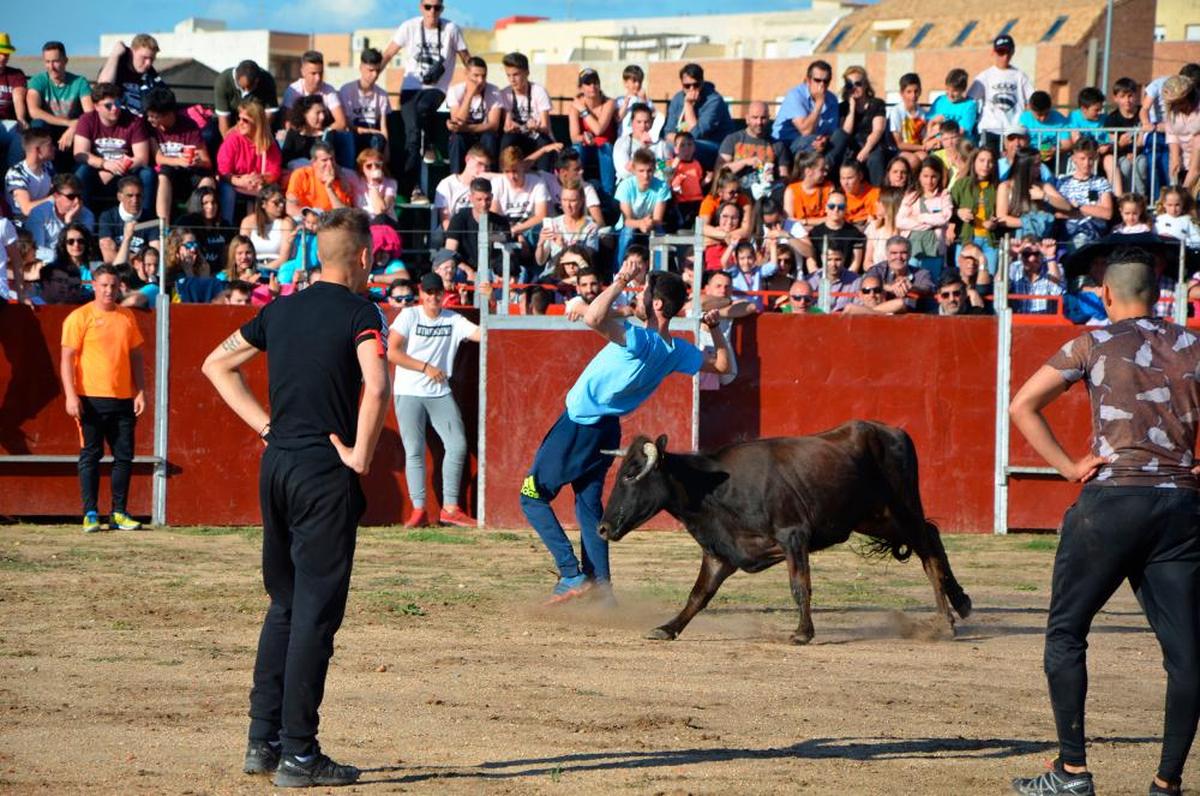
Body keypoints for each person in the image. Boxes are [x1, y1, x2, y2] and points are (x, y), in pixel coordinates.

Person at [201, 207, 389, 789]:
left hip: (277, 465)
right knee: (313, 613)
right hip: (321, 472)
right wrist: (359, 454)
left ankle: (264, 740)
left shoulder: (279, 308)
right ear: (362, 257)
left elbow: (216, 364)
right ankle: (300, 754)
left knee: (284, 605)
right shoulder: (363, 312)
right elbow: (379, 384)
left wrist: (264, 427)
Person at [1008, 251, 1200, 796]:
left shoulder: (1092, 342)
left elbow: (1023, 405)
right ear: (1162, 292)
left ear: (1106, 294)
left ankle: (1072, 772)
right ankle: (1167, 783)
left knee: (1067, 632)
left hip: (1113, 503)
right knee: (1186, 654)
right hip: (1180, 508)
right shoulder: (1193, 346)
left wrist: (1069, 466)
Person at [520, 259, 731, 603]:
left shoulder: (638, 339)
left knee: (531, 497)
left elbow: (593, 318)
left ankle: (572, 575)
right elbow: (723, 366)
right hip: (606, 431)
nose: (639, 295)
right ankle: (602, 593)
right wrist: (716, 330)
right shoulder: (675, 350)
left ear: (657, 304)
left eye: (644, 292)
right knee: (589, 508)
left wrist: (620, 279)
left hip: (579, 425)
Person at [387, 270, 481, 528]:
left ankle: (450, 508)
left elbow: (484, 335)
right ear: (420, 293)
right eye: (428, 292)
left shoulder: (453, 319)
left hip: (439, 391)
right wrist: (426, 367)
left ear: (444, 294)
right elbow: (392, 352)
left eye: (437, 292)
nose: (433, 297)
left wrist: (488, 301)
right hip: (409, 391)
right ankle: (419, 510)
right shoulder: (409, 315)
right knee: (414, 450)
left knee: (458, 444)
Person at [60, 263, 146, 533]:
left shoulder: (127, 317)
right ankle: (90, 513)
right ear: (93, 286)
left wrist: (140, 390)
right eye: (104, 285)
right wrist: (71, 395)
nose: (109, 290)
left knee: (124, 456)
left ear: (120, 286)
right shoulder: (79, 317)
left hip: (122, 398)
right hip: (90, 397)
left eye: (113, 285)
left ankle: (118, 512)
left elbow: (136, 356)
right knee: (91, 454)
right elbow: (66, 359)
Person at [382, 0, 471, 201]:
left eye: (437, 7)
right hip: (411, 88)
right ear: (421, 7)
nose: (432, 11)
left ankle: (429, 143)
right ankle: (410, 188)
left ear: (442, 9)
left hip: (435, 89)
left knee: (423, 108)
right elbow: (388, 53)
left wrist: (475, 84)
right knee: (412, 138)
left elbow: (467, 58)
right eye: (428, 7)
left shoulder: (451, 29)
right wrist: (370, 76)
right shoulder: (409, 26)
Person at [73, 82, 154, 207]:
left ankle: (145, 220)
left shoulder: (134, 121)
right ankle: (83, 216)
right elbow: (80, 154)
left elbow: (142, 159)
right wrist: (105, 164)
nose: (115, 108)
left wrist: (117, 169)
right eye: (108, 105)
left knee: (147, 174)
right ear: (96, 106)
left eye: (117, 103)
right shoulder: (87, 120)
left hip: (126, 170)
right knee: (81, 171)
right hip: (98, 170)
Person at [144, 87, 214, 222]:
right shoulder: (151, 128)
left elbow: (207, 161)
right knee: (164, 173)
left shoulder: (189, 126)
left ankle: (202, 226)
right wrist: (179, 161)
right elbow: (158, 158)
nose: (149, 119)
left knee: (207, 181)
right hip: (167, 175)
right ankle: (163, 227)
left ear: (168, 114)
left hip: (189, 174)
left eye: (154, 116)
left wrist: (197, 161)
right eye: (149, 115)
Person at [280, 51, 353, 170]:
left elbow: (341, 122)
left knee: (346, 136)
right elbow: (288, 122)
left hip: (323, 136)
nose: (318, 78)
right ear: (303, 71)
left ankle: (345, 172)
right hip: (300, 134)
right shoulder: (293, 90)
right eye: (313, 73)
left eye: (321, 73)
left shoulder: (329, 90)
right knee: (283, 137)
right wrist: (306, 129)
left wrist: (319, 130)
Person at [216, 98, 282, 225]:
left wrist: (260, 178)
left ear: (257, 123)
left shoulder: (269, 143)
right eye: (239, 118)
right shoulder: (233, 139)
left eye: (245, 120)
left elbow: (275, 171)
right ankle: (226, 229)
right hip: (233, 183)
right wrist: (240, 181)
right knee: (227, 190)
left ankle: (267, 230)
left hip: (257, 183)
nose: (240, 123)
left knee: (273, 191)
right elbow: (223, 171)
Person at [25, 41, 93, 161]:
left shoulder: (79, 82)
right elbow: (34, 111)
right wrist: (68, 123)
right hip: (49, 129)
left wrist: (74, 127)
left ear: (65, 60)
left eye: (55, 61)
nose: (51, 67)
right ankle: (38, 164)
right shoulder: (38, 81)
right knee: (37, 124)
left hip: (70, 132)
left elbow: (90, 113)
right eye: (47, 62)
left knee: (86, 128)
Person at [968, 34, 1034, 154]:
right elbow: (970, 100)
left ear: (1012, 52)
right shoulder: (985, 76)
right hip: (990, 129)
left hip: (1013, 130)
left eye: (1008, 52)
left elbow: (1032, 100)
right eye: (1001, 52)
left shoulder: (1020, 76)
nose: (1004, 57)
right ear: (993, 52)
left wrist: (1025, 121)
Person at [773, 60, 845, 169]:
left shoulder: (832, 99)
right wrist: (819, 103)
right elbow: (806, 131)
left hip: (816, 141)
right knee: (811, 141)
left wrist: (825, 139)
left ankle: (825, 169)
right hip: (788, 142)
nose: (822, 85)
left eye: (826, 81)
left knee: (841, 136)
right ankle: (823, 169)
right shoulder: (795, 95)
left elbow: (832, 132)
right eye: (817, 80)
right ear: (808, 80)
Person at [662, 63, 733, 170]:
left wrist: (688, 105)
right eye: (687, 86)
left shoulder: (714, 101)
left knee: (689, 146)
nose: (691, 89)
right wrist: (679, 142)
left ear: (702, 83)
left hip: (714, 146)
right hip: (685, 143)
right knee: (663, 147)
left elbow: (695, 134)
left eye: (696, 85)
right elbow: (668, 133)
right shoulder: (677, 99)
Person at [497, 52, 556, 174]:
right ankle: (504, 175)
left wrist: (537, 127)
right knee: (507, 139)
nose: (512, 80)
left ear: (527, 73)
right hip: (518, 138)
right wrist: (510, 126)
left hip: (537, 137)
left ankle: (544, 177)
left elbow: (546, 127)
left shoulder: (539, 91)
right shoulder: (505, 93)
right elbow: (506, 125)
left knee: (544, 140)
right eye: (508, 75)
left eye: (516, 75)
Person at [718, 100, 788, 199]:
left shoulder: (777, 145)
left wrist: (773, 180)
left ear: (769, 119)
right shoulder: (733, 139)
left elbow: (784, 178)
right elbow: (720, 170)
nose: (759, 122)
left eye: (763, 118)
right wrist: (745, 162)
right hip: (737, 193)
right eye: (755, 117)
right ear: (747, 119)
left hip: (765, 194)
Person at [444, 56, 501, 174]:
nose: (480, 81)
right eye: (476, 76)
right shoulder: (455, 91)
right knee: (457, 138)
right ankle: (456, 177)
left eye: (484, 76)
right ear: (466, 74)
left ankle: (489, 176)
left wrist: (466, 128)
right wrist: (470, 95)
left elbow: (494, 125)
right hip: (464, 136)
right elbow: (457, 121)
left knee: (490, 137)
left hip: (483, 136)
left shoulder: (494, 91)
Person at [614, 148, 670, 266]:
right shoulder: (625, 186)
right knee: (628, 233)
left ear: (654, 169)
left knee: (660, 234)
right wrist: (641, 223)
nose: (646, 175)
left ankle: (658, 273)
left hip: (651, 223)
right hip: (629, 225)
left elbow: (658, 219)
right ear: (633, 170)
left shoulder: (662, 186)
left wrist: (648, 223)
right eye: (641, 171)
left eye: (649, 171)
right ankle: (618, 271)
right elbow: (627, 220)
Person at [1055, 136, 1114, 249]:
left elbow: (1107, 213)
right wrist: (1093, 210)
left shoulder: (1101, 182)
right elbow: (1059, 213)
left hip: (1093, 231)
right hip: (1069, 232)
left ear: (1096, 157)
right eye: (1082, 158)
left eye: (1090, 158)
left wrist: (1076, 207)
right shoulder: (1062, 182)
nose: (1087, 163)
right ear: (1074, 158)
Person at [568, 68, 617, 198]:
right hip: (586, 146)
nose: (592, 86)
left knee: (605, 148)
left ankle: (608, 196)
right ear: (581, 88)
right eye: (588, 83)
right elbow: (574, 137)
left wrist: (583, 110)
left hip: (605, 147)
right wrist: (584, 137)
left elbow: (598, 130)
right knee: (576, 148)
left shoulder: (609, 103)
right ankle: (573, 190)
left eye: (595, 82)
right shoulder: (575, 106)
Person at [445, 176, 512, 272]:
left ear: (492, 197)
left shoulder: (500, 221)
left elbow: (505, 240)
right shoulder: (459, 219)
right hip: (464, 269)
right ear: (470, 198)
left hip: (493, 270)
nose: (484, 204)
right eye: (479, 199)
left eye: (487, 199)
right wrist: (468, 271)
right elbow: (449, 252)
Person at [837, 66, 887, 185]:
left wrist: (866, 150)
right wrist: (852, 108)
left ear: (865, 85)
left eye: (858, 83)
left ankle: (877, 195)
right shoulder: (843, 107)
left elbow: (878, 131)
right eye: (850, 85)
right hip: (851, 147)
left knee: (875, 159)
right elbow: (845, 133)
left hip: (872, 145)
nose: (854, 88)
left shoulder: (877, 104)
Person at [28, 174, 95, 262]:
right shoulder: (39, 213)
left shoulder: (87, 215)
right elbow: (37, 250)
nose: (76, 201)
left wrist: (69, 223)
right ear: (56, 196)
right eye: (71, 197)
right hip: (46, 264)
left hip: (76, 263)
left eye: (79, 196)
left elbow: (82, 248)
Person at [338, 48, 390, 158]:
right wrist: (368, 130)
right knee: (349, 138)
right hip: (353, 133)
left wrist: (387, 150)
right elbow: (346, 123)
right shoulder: (347, 90)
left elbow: (383, 126)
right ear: (361, 68)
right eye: (370, 70)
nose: (375, 75)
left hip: (373, 136)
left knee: (378, 140)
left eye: (377, 70)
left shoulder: (382, 94)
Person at [863, 235, 935, 313]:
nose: (899, 257)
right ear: (887, 255)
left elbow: (928, 288)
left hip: (912, 319)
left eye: (903, 253)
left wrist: (911, 288)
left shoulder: (922, 273)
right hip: (879, 318)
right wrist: (889, 287)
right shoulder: (878, 270)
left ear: (910, 255)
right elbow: (865, 284)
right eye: (894, 253)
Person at [98, 175, 160, 265]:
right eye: (130, 196)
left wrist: (122, 254)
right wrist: (138, 257)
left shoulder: (151, 219)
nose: (135, 200)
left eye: (138, 196)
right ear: (120, 197)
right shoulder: (108, 217)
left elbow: (156, 256)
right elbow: (109, 259)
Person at [97, 35, 163, 117]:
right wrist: (114, 55)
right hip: (117, 120)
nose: (148, 63)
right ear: (132, 51)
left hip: (140, 123)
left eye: (152, 59)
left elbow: (164, 100)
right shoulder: (118, 64)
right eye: (144, 57)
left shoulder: (151, 75)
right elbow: (103, 87)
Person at [213, 60, 279, 138]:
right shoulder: (223, 81)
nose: (246, 91)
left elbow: (269, 114)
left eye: (250, 87)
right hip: (231, 120)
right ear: (236, 79)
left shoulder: (267, 80)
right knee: (209, 135)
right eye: (243, 87)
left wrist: (255, 131)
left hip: (257, 122)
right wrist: (230, 143)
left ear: (257, 81)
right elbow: (223, 120)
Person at [613, 103, 673, 186]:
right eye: (639, 122)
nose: (643, 126)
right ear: (632, 123)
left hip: (655, 187)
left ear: (651, 123)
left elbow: (667, 169)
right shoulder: (622, 143)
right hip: (630, 187)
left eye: (646, 122)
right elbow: (624, 173)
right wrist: (642, 148)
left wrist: (659, 167)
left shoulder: (661, 144)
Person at [285, 141, 352, 217]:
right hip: (306, 221)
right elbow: (290, 208)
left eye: (332, 159)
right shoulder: (301, 175)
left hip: (331, 223)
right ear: (313, 162)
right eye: (324, 160)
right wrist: (314, 219)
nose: (330, 164)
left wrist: (329, 188)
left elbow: (344, 214)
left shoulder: (340, 179)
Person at [5, 126, 55, 224]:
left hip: (45, 218)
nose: (54, 148)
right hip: (22, 224)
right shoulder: (16, 173)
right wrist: (54, 198)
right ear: (38, 150)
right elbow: (27, 209)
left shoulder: (48, 166)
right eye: (50, 145)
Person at [887, 72, 929, 171]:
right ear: (902, 93)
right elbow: (899, 144)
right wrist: (922, 147)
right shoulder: (896, 111)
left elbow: (923, 138)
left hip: (917, 148)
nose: (913, 95)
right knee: (913, 160)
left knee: (925, 158)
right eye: (909, 92)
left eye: (916, 91)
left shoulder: (923, 113)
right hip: (900, 150)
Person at [929, 68, 979, 145]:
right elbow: (929, 124)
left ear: (963, 89)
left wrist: (938, 132)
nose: (950, 94)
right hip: (937, 145)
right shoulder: (940, 101)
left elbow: (961, 132)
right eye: (947, 89)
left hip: (959, 146)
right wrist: (930, 139)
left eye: (955, 91)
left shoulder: (969, 105)